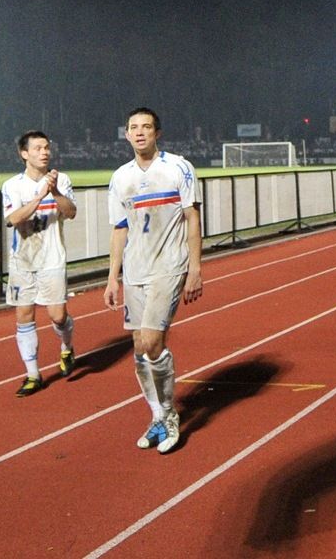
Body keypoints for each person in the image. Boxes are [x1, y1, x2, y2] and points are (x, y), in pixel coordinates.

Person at [105, 107, 204, 455]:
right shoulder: (120, 178)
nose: (140, 132)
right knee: (138, 347)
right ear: (127, 134)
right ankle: (158, 415)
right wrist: (112, 277)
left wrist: (195, 268)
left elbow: (193, 217)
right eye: (133, 127)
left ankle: (170, 415)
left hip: (169, 266)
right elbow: (120, 229)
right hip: (135, 269)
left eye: (146, 126)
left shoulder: (178, 167)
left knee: (151, 341)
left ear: (157, 133)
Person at [1, 130, 78, 396]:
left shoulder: (63, 180)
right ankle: (33, 374)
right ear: (24, 154)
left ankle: (67, 347)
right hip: (22, 261)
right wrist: (37, 197)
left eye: (46, 147)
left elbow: (71, 212)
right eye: (37, 148)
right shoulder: (12, 185)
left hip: (52, 259)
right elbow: (12, 219)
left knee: (58, 316)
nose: (44, 152)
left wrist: (54, 190)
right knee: (24, 316)